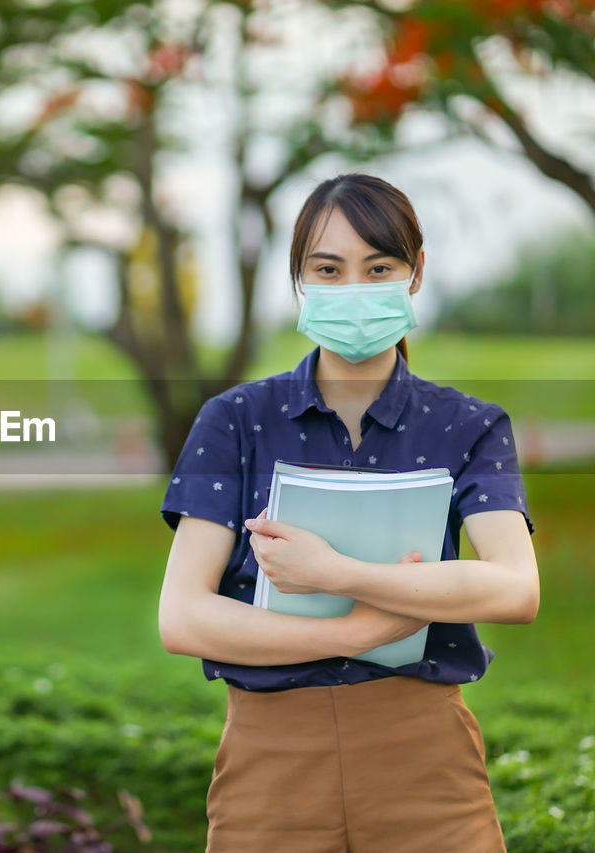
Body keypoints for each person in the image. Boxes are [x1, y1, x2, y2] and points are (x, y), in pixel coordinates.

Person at [156, 172, 540, 853]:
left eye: (379, 267)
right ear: (299, 279)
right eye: (328, 269)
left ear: (416, 273)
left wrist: (336, 573)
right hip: (269, 767)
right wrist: (359, 630)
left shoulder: (470, 425)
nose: (354, 288)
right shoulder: (234, 421)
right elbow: (183, 616)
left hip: (427, 763)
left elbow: (515, 587)